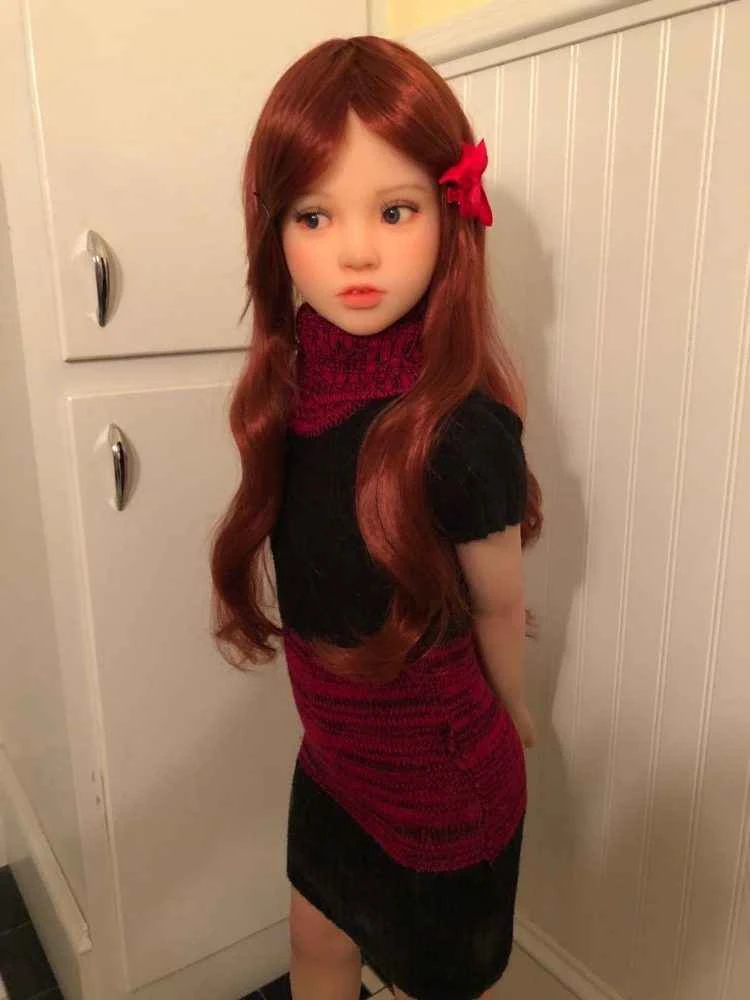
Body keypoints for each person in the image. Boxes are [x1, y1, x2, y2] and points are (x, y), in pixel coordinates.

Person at [210, 34, 544, 1000]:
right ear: (275, 229)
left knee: (431, 983)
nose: (355, 251)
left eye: (395, 211)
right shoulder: (290, 392)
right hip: (334, 764)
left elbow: (498, 604)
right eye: (314, 216)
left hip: (443, 786)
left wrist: (517, 707)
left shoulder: (461, 433)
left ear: (449, 215)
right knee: (317, 944)